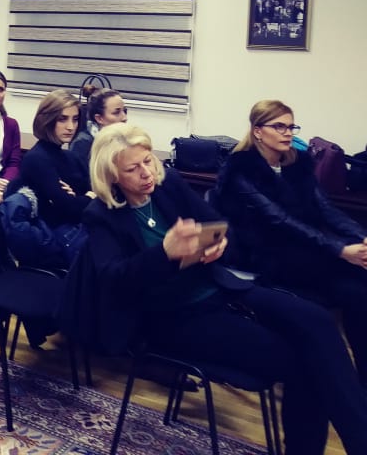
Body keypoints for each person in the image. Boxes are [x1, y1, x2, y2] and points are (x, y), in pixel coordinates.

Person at [84, 122, 367, 455]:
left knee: (318, 321)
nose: (146, 173)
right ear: (112, 176)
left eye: (148, 160)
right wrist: (165, 253)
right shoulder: (101, 215)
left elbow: (221, 227)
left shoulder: (167, 184)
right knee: (304, 363)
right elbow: (114, 281)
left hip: (219, 288)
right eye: (133, 168)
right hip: (171, 317)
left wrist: (219, 244)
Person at [217, 99, 367, 385]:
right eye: (279, 127)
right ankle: (343, 383)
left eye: (291, 127)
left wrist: (361, 237)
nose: (287, 133)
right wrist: (339, 249)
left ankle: (360, 383)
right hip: (264, 255)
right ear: (258, 131)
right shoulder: (241, 169)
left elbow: (326, 209)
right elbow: (278, 219)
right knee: (355, 287)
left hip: (304, 249)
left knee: (360, 286)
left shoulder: (297, 165)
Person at [14, 90, 90, 227]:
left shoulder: (71, 157)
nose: (70, 127)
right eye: (62, 119)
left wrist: (79, 198)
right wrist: (88, 197)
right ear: (47, 120)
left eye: (75, 119)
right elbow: (70, 208)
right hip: (53, 233)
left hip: (74, 228)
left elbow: (97, 193)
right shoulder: (36, 159)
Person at [69, 88, 127, 169]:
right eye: (116, 112)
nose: (124, 118)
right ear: (99, 118)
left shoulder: (123, 140)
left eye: (125, 111)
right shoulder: (82, 145)